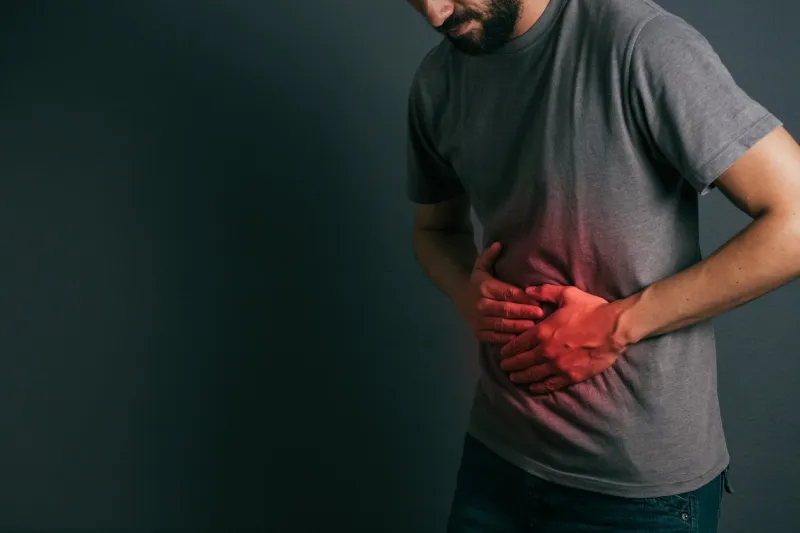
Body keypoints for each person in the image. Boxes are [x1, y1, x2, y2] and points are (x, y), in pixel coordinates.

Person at [404, 0, 800, 531]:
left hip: (636, 492)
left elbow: (795, 221)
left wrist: (617, 325)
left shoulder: (643, 44)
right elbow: (436, 230)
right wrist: (464, 291)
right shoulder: (437, 79)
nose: (434, 14)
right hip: (496, 462)